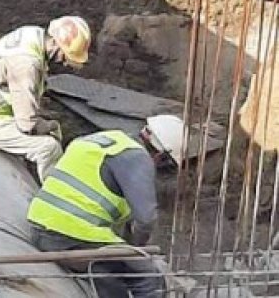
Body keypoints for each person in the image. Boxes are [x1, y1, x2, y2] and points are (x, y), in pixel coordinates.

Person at [27, 115, 185, 297]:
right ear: (161, 154)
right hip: (70, 234)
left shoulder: (109, 140)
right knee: (147, 275)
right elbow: (145, 219)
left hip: (42, 225)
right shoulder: (137, 159)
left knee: (108, 274)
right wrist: (136, 249)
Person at [0, 16, 91, 182]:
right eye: (65, 56)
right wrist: (47, 126)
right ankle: (55, 197)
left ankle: (34, 170)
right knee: (49, 148)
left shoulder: (33, 34)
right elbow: (27, 123)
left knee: (52, 130)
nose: (65, 63)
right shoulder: (27, 65)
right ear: (55, 44)